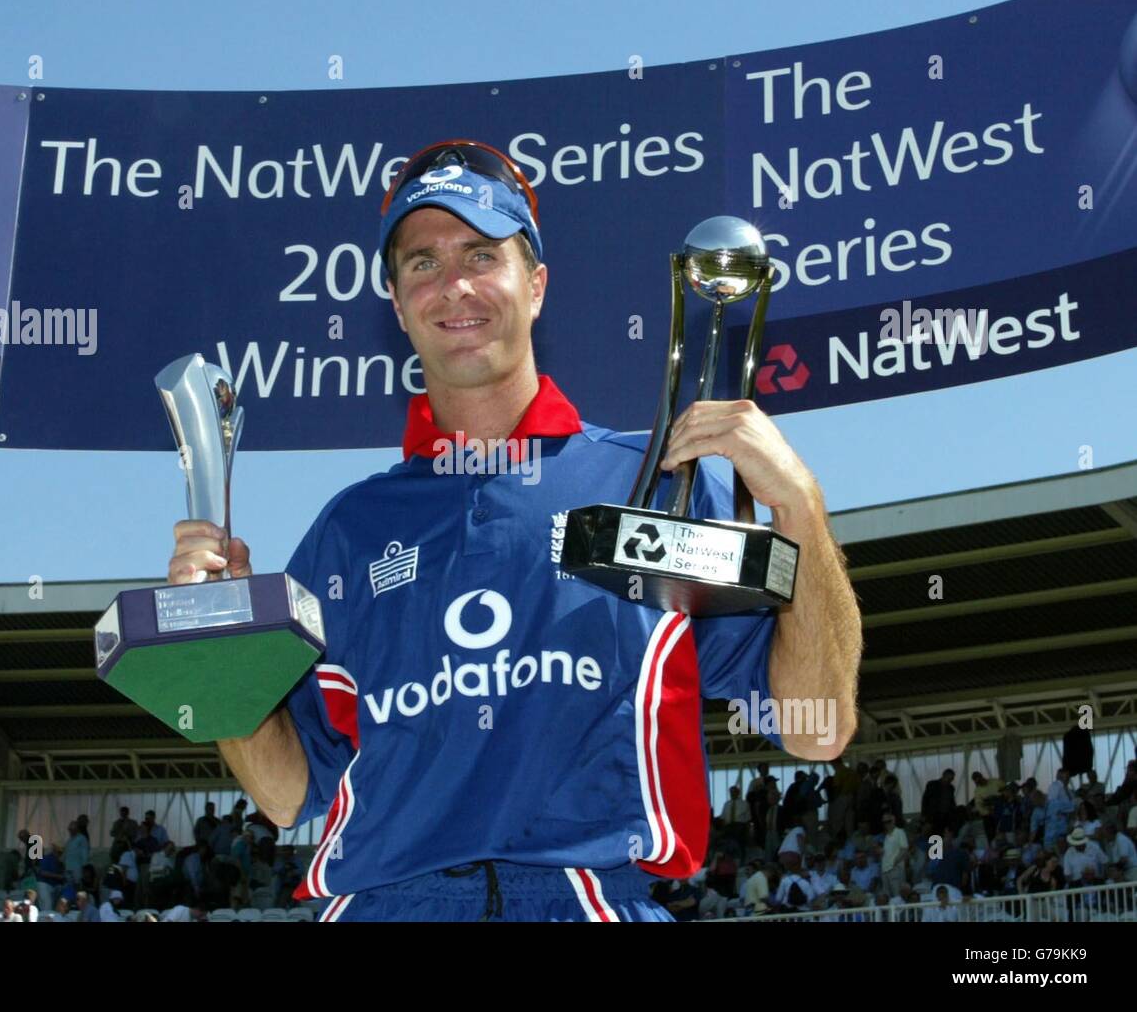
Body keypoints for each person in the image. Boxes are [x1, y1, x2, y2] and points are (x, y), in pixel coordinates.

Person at [167, 139, 861, 922]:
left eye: (480, 253)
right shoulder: (348, 532)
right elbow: (286, 792)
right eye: (422, 263)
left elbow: (819, 729)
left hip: (591, 901)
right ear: (395, 304)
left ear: (535, 285)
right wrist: (220, 653)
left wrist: (801, 511)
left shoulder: (658, 484)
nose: (454, 285)